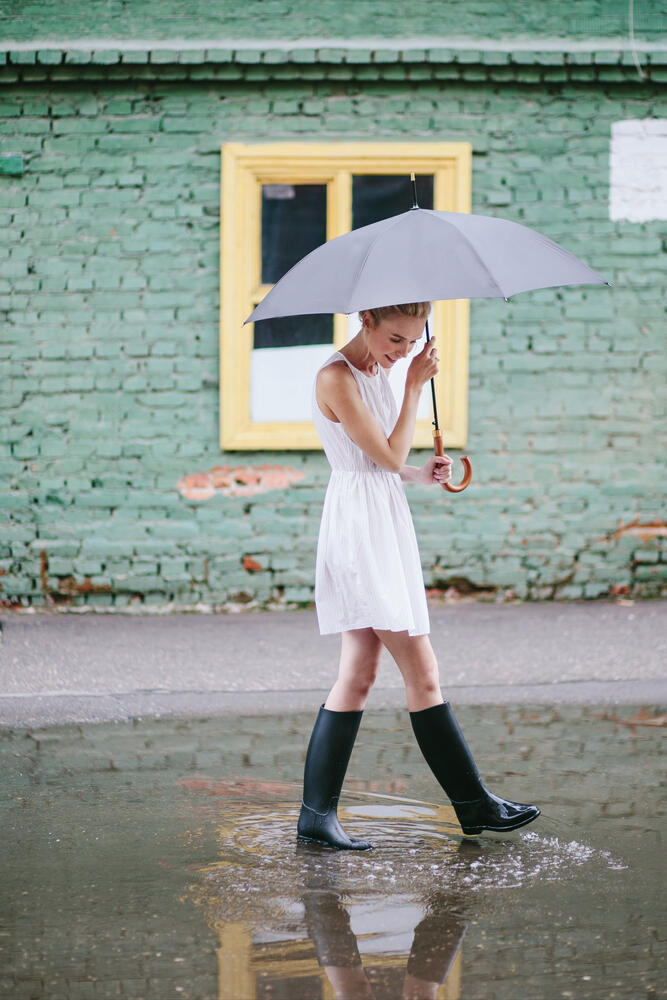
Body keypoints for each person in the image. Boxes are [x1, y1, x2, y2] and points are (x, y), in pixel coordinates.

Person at [297, 302, 540, 850]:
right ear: (366, 322)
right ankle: (474, 805)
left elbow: (386, 463)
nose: (403, 351)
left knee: (358, 674)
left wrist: (419, 474)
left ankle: (316, 818)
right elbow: (383, 457)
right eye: (394, 339)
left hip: (379, 517)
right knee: (422, 671)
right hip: (361, 530)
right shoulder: (336, 378)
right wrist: (411, 389)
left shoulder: (382, 370)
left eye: (411, 342)